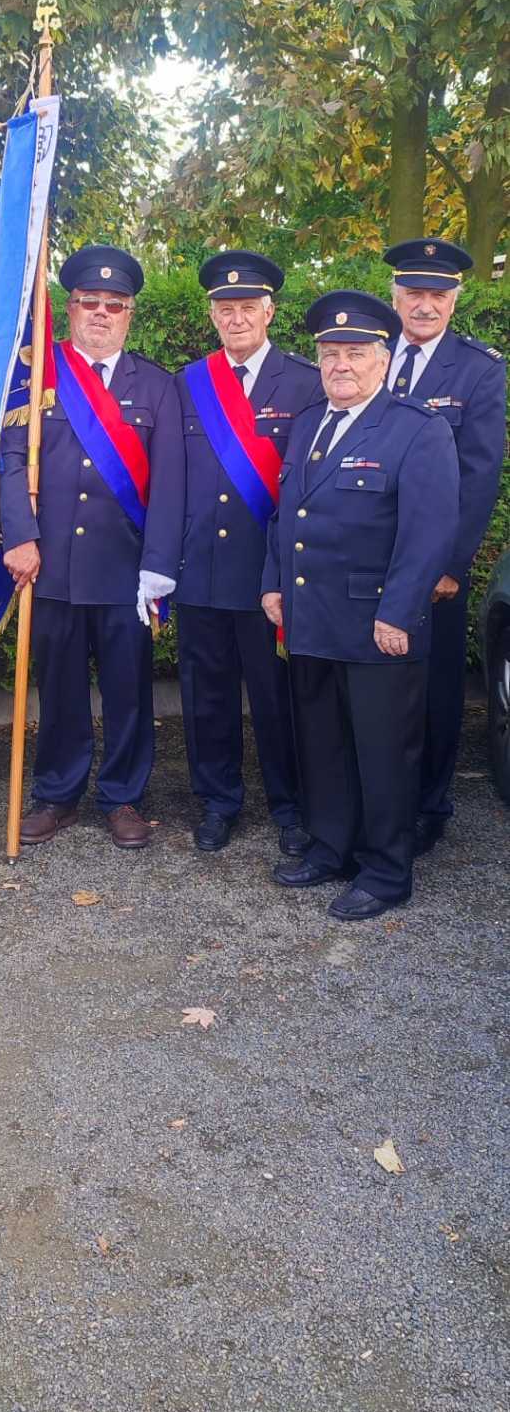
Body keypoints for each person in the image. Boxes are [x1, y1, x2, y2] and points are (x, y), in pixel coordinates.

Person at [261, 290, 459, 920]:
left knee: (382, 753)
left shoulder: (416, 428)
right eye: (330, 353)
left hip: (377, 625)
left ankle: (387, 870)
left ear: (383, 359)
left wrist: (399, 613)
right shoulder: (309, 423)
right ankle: (331, 846)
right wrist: (273, 582)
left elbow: (429, 533)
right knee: (322, 743)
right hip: (311, 617)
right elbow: (287, 514)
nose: (340, 365)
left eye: (355, 353)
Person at [0, 244, 184, 849]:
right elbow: (7, 461)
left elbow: (171, 484)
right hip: (49, 565)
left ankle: (124, 796)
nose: (101, 313)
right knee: (58, 689)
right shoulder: (36, 375)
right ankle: (57, 793)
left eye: (114, 304)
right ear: (70, 307)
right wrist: (20, 536)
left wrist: (158, 567)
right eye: (89, 302)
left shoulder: (156, 386)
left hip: (124, 571)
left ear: (130, 314)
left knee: (129, 689)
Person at [176, 250, 323, 854]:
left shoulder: (306, 382)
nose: (236, 318)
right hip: (202, 572)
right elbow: (174, 481)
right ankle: (217, 801)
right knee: (206, 697)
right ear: (213, 316)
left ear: (269, 312)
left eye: (247, 308)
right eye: (225, 309)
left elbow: (309, 485)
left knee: (277, 698)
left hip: (271, 574)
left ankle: (290, 806)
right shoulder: (188, 382)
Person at [382, 239, 506, 855]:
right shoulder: (368, 351)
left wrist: (451, 565)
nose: (425, 305)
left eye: (438, 294)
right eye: (414, 293)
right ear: (395, 296)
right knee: (375, 686)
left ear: (455, 300)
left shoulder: (478, 369)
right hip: (367, 559)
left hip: (434, 569)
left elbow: (479, 477)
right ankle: (377, 800)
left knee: (433, 689)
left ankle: (429, 806)